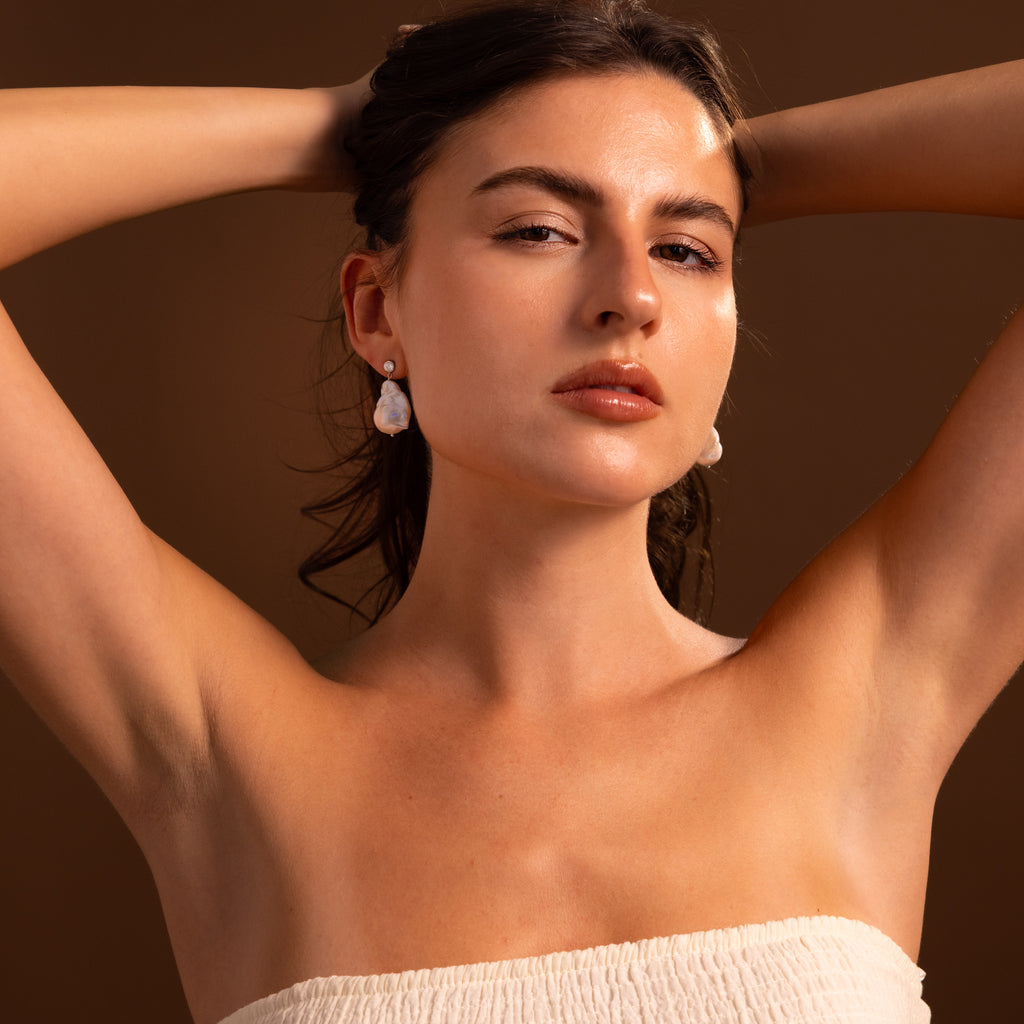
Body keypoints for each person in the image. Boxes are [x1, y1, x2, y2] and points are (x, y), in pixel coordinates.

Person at [0, 1, 1021, 1021]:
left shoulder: (873, 683)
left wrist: (731, 157)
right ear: (377, 310)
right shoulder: (228, 747)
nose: (630, 297)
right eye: (539, 228)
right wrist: (342, 126)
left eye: (688, 251)